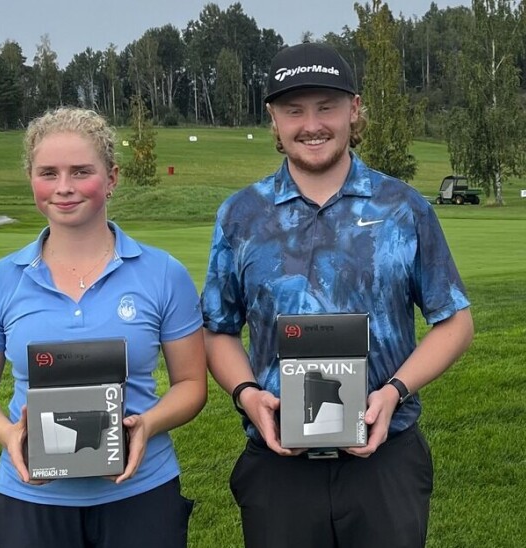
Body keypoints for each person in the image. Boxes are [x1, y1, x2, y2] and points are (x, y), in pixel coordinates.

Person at [201, 42, 474, 548]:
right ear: (274, 120)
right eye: (294, 109)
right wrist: (246, 394)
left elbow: (455, 321)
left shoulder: (403, 208)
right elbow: (217, 330)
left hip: (384, 461)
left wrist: (394, 392)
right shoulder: (241, 214)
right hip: (278, 465)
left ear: (353, 109)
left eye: (326, 106)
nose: (312, 124)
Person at [0, 107, 206, 548]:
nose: (64, 188)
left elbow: (190, 384)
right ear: (31, 179)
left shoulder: (164, 273)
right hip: (32, 498)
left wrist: (147, 424)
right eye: (48, 173)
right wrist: (8, 433)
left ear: (111, 178)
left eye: (81, 171)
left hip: (140, 491)